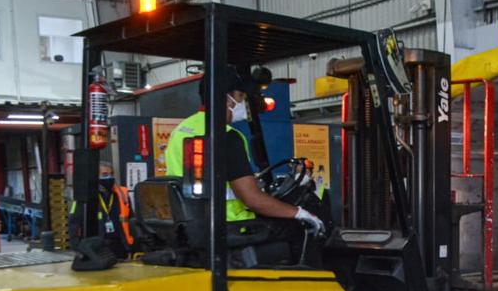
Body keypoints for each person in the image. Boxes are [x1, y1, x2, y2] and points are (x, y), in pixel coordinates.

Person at [165, 67, 324, 234]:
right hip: (228, 226)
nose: (243, 102)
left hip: (191, 226)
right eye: (240, 96)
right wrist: (299, 213)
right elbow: (252, 199)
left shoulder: (181, 130)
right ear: (225, 98)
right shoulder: (225, 136)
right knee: (289, 233)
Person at [69, 162, 135, 260]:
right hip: (97, 248)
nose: (109, 177)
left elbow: (131, 219)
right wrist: (77, 247)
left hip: (120, 246)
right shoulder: (85, 197)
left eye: (111, 174)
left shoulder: (122, 194)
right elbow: (74, 222)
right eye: (105, 175)